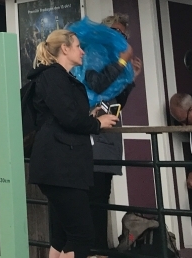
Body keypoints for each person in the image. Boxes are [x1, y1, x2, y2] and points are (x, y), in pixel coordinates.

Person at [28, 29, 119, 258]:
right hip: (61, 167)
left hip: (59, 165)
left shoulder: (56, 77)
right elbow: (68, 117)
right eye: (78, 46)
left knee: (62, 236)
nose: (82, 51)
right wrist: (96, 123)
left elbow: (63, 113)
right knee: (82, 235)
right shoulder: (53, 76)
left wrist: (89, 115)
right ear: (65, 49)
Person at [84, 14, 143, 256]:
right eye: (118, 33)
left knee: (101, 198)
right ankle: (92, 249)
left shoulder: (114, 61)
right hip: (89, 141)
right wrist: (121, 64)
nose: (122, 38)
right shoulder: (93, 56)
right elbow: (96, 85)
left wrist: (131, 80)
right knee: (92, 199)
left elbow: (117, 103)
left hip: (107, 141)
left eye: (125, 35)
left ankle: (97, 249)